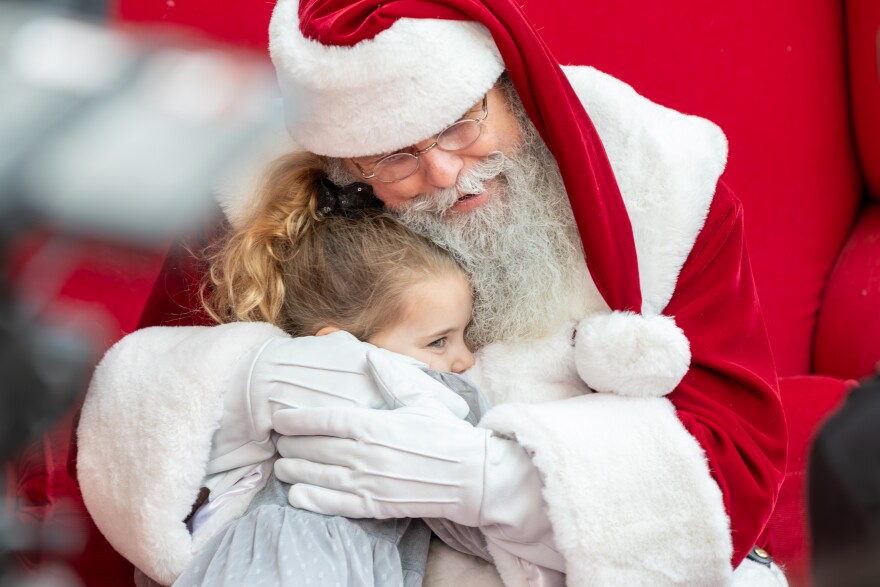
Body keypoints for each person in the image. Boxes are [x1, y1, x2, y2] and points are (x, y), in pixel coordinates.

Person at [77, 0, 789, 585]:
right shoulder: (252, 197)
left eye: (460, 124)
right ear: (346, 167)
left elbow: (735, 462)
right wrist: (247, 382)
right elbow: (139, 424)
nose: (445, 173)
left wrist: (497, 484)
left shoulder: (659, 177)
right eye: (396, 156)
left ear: (510, 84)